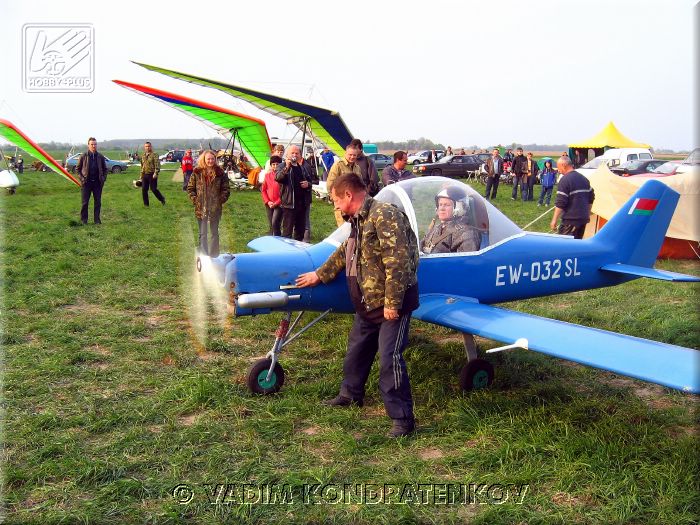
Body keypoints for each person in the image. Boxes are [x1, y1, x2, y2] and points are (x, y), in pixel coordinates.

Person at [295, 174, 420, 438]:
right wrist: (321, 274)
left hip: (390, 303)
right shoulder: (361, 219)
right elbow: (346, 250)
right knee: (356, 351)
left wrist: (392, 304)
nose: (337, 207)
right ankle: (350, 395)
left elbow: (398, 262)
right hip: (368, 302)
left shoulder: (385, 216)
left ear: (349, 195)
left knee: (389, 359)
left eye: (337, 201)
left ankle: (402, 420)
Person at [187, 150, 230, 256]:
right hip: (201, 208)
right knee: (203, 234)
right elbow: (190, 188)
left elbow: (226, 189)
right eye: (208, 159)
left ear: (215, 159)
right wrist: (195, 200)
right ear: (204, 160)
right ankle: (204, 255)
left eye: (212, 159)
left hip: (215, 208)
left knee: (214, 233)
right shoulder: (197, 172)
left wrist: (220, 199)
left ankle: (214, 255)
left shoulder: (220, 173)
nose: (210, 161)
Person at [422, 187, 481, 253]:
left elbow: (466, 261)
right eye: (440, 204)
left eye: (446, 205)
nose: (441, 208)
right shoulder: (436, 228)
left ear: (459, 207)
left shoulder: (467, 233)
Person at [275, 145, 314, 241]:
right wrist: (287, 168)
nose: (294, 155)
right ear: (287, 154)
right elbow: (278, 178)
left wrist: (307, 184)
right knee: (287, 232)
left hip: (302, 205)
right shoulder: (282, 166)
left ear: (300, 155)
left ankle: (297, 251)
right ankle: (287, 252)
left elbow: (311, 181)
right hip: (289, 204)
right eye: (292, 153)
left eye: (297, 153)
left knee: (300, 231)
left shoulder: (303, 168)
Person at [550, 155, 595, 239]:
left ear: (564, 165)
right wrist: (587, 212)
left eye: (558, 167)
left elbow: (561, 202)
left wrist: (554, 220)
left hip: (571, 220)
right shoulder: (584, 179)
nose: (558, 170)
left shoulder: (565, 180)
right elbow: (591, 197)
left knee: (564, 245)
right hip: (583, 219)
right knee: (577, 243)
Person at [326, 143, 362, 226]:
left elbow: (360, 184)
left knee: (354, 228)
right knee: (343, 228)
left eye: (354, 155)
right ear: (345, 153)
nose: (352, 157)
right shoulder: (338, 166)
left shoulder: (357, 168)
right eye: (350, 155)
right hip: (341, 202)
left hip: (354, 203)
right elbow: (330, 184)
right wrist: (335, 200)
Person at [76, 137, 108, 224]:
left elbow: (105, 169)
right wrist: (82, 179)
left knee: (98, 202)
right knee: (85, 203)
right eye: (92, 144)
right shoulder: (83, 156)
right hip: (86, 183)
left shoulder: (100, 156)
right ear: (88, 145)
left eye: (95, 144)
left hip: (97, 183)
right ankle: (84, 220)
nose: (94, 146)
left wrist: (103, 178)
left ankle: (97, 220)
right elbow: (77, 169)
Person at [261, 155, 283, 235]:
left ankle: (278, 238)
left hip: (279, 204)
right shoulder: (267, 176)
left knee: (275, 223)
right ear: (271, 165)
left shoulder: (282, 177)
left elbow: (284, 192)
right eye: (273, 164)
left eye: (277, 164)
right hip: (269, 204)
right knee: (271, 224)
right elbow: (263, 190)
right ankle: (271, 238)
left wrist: (276, 203)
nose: (275, 166)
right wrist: (267, 201)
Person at [140, 142, 165, 206]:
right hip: (145, 174)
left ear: (151, 147)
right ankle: (146, 205)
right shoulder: (143, 155)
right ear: (144, 147)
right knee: (144, 189)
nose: (147, 148)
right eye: (146, 146)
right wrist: (141, 175)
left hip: (152, 174)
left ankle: (162, 198)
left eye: (148, 146)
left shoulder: (155, 155)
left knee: (153, 189)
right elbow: (142, 166)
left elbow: (157, 165)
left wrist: (156, 173)